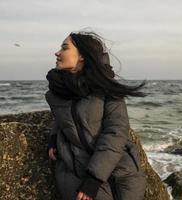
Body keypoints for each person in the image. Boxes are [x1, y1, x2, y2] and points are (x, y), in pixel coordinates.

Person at [45, 31, 147, 200]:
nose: (57, 52)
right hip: (75, 170)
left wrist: (94, 178)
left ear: (82, 56)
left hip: (120, 171)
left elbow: (116, 132)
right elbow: (62, 116)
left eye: (64, 48)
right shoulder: (57, 90)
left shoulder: (106, 87)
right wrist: (54, 136)